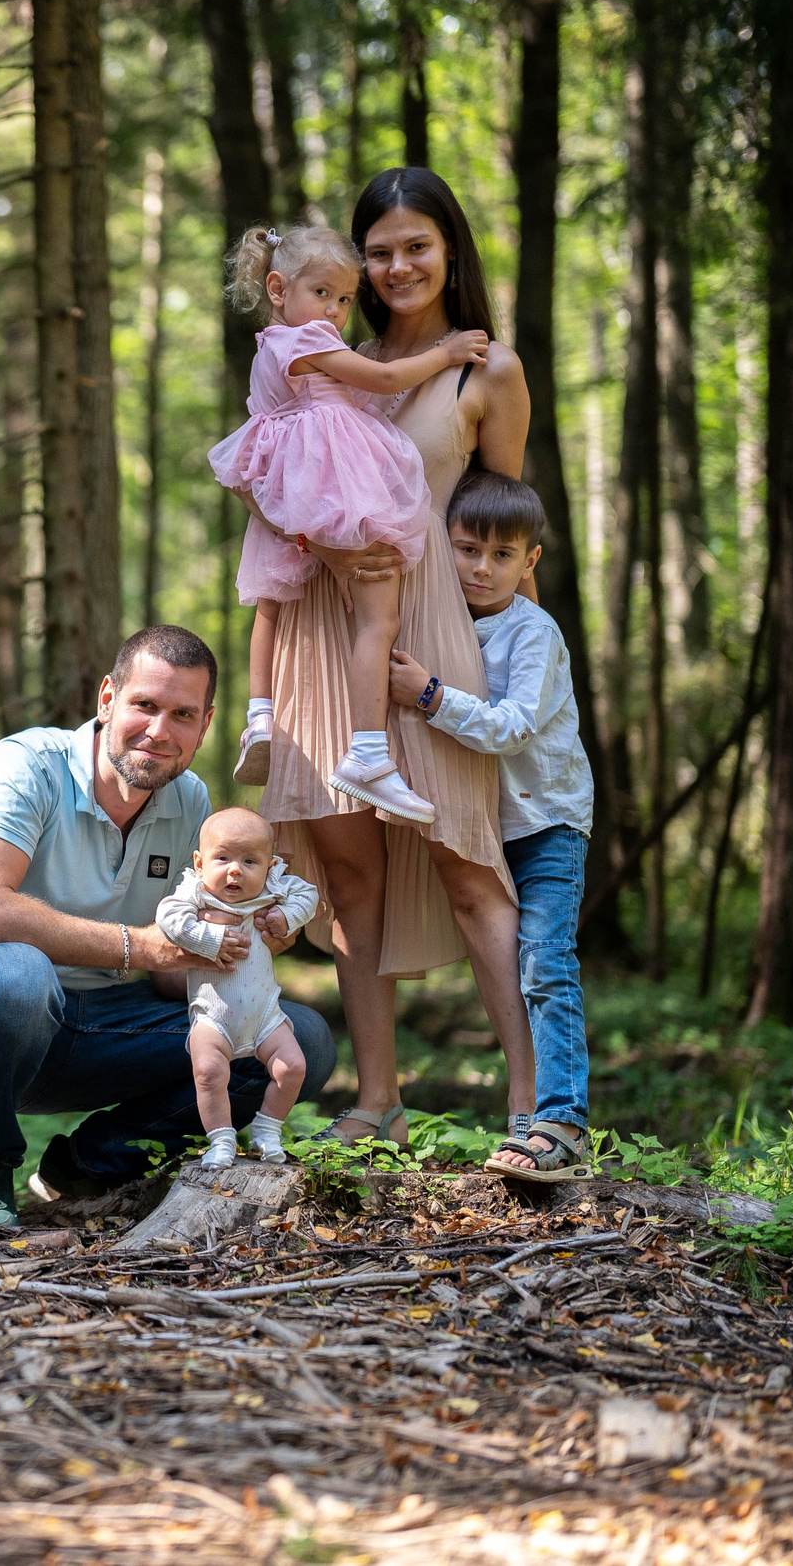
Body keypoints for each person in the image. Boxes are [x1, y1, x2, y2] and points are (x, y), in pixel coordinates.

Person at [255, 167, 534, 1149]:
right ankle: (377, 1103)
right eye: (378, 251)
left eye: (416, 244)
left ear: (448, 249)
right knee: (351, 877)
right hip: (320, 632)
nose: (397, 264)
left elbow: (504, 527)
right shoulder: (331, 357)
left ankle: (533, 1110)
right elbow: (267, 475)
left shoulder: (483, 372)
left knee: (470, 866)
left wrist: (523, 668)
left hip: (429, 639)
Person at [0, 625, 337, 1229]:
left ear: (204, 727)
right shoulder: (24, 767)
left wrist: (237, 946)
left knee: (299, 1040)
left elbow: (166, 982)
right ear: (107, 699)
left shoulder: (192, 806)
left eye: (182, 714)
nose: (159, 731)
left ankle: (87, 1164)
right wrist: (142, 947)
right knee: (17, 974)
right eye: (145, 706)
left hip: (106, 1026)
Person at [209, 224, 490, 825]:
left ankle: (260, 714)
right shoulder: (306, 341)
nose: (335, 312)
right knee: (378, 617)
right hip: (335, 483)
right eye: (323, 294)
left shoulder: (271, 349)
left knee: (271, 604)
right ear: (279, 289)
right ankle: (367, 752)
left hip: (291, 493)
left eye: (343, 299)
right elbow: (385, 380)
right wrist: (447, 353)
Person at [389, 471, 597, 1181]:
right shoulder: (439, 623)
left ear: (530, 561)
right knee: (505, 966)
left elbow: (510, 729)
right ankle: (526, 1116)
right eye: (468, 548)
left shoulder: (533, 631)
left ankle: (563, 1121)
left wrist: (428, 694)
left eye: (502, 555)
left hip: (546, 819)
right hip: (486, 822)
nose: (482, 567)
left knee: (545, 962)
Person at [154, 807, 321, 1165]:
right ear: (200, 863)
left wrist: (287, 916)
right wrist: (208, 939)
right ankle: (221, 1139)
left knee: (292, 1067)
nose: (235, 869)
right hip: (213, 1016)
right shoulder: (195, 892)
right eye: (223, 858)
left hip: (265, 1016)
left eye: (250, 861)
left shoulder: (273, 887)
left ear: (271, 866)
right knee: (209, 1072)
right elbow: (168, 917)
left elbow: (309, 895)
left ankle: (267, 1128)